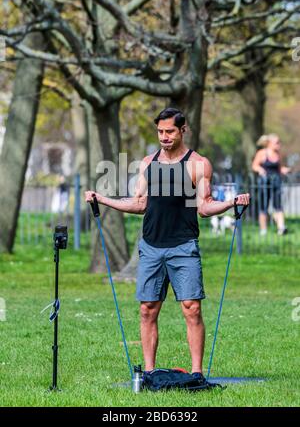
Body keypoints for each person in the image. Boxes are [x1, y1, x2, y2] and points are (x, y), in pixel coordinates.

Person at [85, 107, 250, 382]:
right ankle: (149, 373)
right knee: (147, 309)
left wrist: (231, 202)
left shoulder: (198, 164)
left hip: (183, 246)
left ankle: (197, 374)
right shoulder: (148, 163)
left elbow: (204, 207)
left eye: (169, 131)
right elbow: (140, 203)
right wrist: (103, 200)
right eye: (160, 131)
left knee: (192, 308)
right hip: (151, 247)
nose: (164, 136)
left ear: (183, 130)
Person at [252, 134, 291, 236]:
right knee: (263, 206)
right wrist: (260, 170)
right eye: (277, 142)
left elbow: (279, 168)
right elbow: (255, 165)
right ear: (269, 143)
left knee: (278, 205)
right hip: (264, 183)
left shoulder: (278, 154)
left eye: (279, 142)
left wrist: (284, 170)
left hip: (276, 182)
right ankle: (263, 230)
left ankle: (281, 228)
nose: (279, 144)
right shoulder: (262, 153)